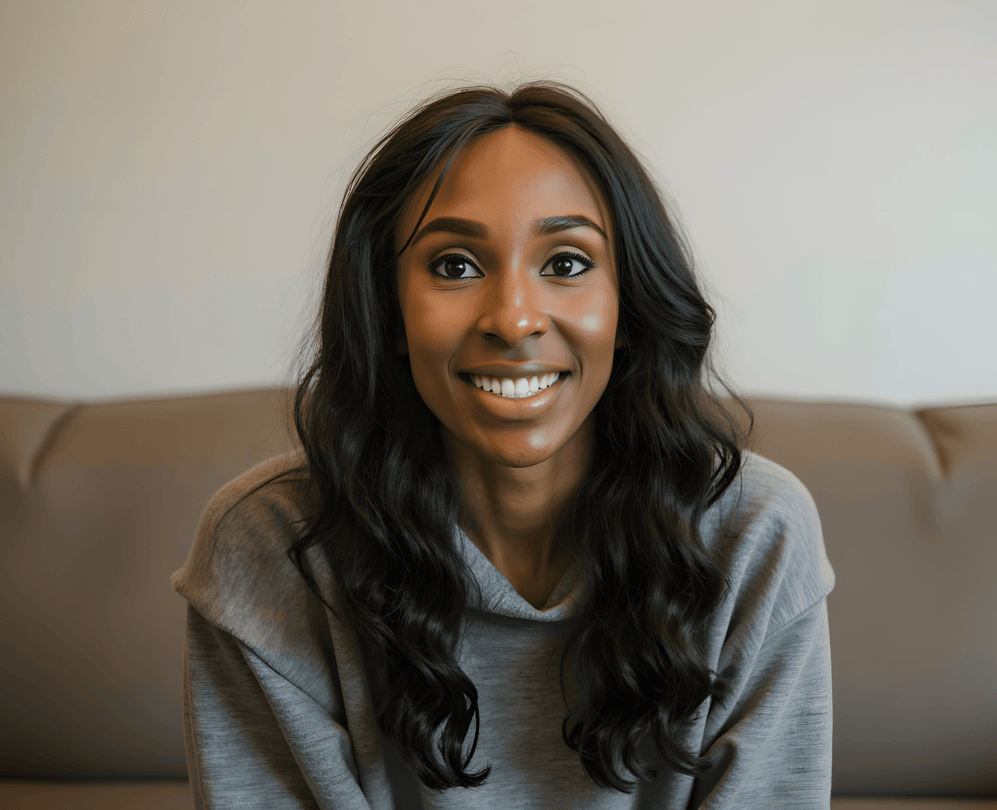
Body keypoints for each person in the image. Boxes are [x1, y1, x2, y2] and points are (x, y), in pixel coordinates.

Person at [172, 81, 835, 809]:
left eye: (567, 263)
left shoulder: (755, 536)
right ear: (388, 308)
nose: (514, 319)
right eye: (454, 265)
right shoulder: (271, 548)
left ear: (629, 306)